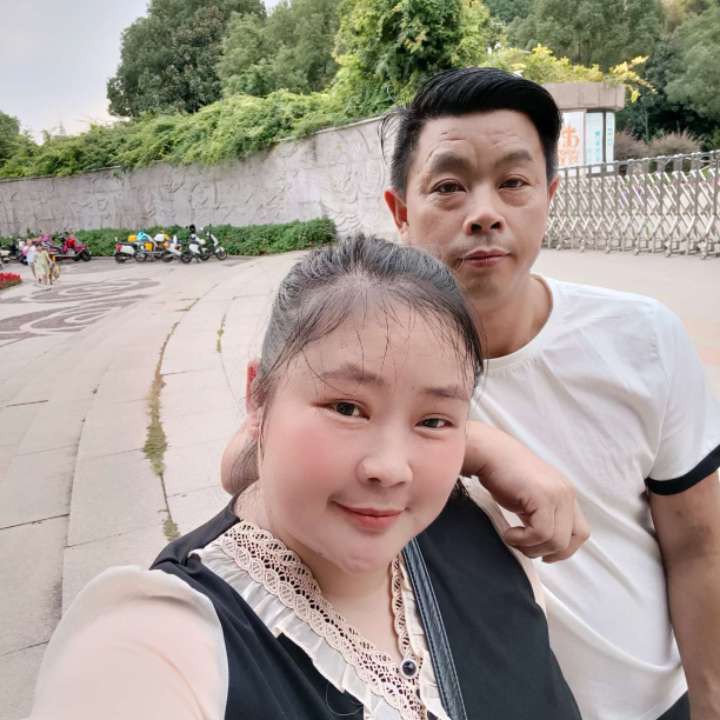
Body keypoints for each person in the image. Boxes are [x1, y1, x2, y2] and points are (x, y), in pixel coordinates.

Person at [28, 237, 582, 719]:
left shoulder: (480, 536)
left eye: (434, 420)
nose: (390, 469)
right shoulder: (158, 639)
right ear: (258, 397)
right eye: (346, 408)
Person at [377, 68, 720, 720]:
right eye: (448, 187)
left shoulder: (643, 338)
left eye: (513, 182)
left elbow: (700, 545)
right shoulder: (365, 360)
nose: (484, 213)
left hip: (654, 704)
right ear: (400, 211)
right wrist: (479, 443)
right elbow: (250, 464)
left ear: (549, 196)